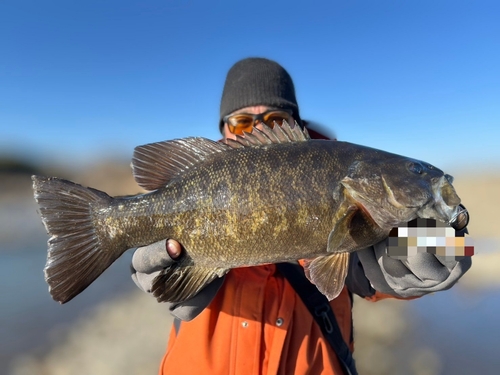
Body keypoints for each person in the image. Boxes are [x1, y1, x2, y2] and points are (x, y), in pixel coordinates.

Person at [130, 57, 471, 375]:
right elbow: (161, 266)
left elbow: (364, 269)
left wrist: (435, 247)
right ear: (224, 131)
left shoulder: (357, 198)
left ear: (296, 125)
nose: (256, 131)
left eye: (275, 120)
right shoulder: (197, 182)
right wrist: (165, 277)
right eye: (242, 122)